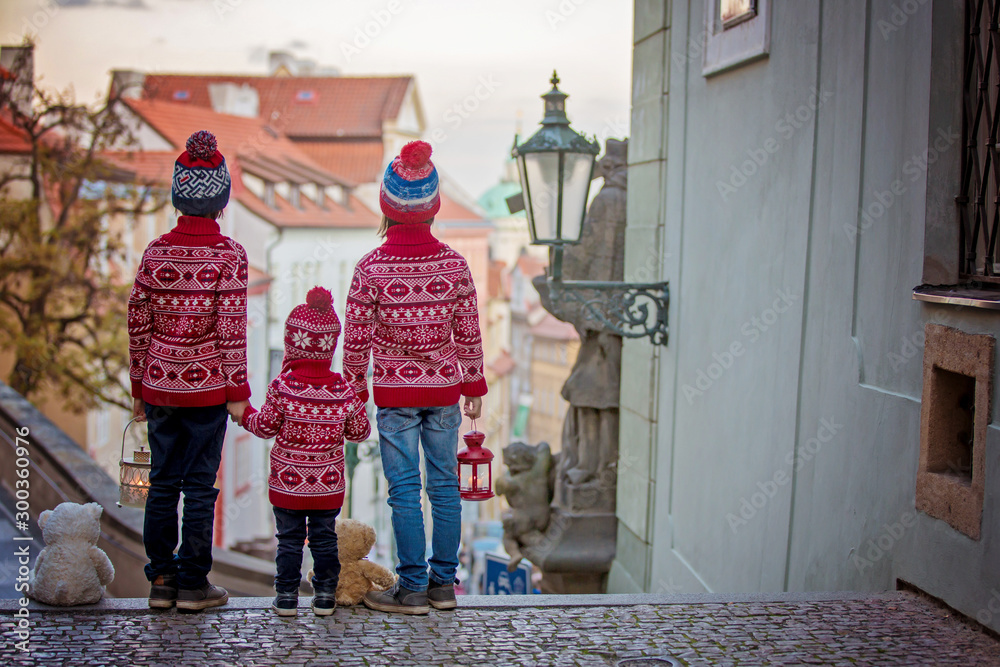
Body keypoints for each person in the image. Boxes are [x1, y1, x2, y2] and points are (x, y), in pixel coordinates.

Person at [344, 140, 488, 615]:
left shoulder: (370, 269)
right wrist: (473, 385)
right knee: (444, 486)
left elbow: (356, 344)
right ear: (432, 207)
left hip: (394, 397)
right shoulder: (454, 265)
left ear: (387, 205)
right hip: (445, 392)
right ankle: (444, 585)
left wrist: (353, 395)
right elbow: (468, 330)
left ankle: (411, 590)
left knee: (404, 490)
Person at [127, 130, 250, 611]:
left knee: (162, 482)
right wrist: (236, 391)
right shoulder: (229, 256)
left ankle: (160, 580)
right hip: (209, 394)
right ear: (221, 199)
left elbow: (138, 324)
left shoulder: (155, 253)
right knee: (199, 486)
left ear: (178, 195)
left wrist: (139, 386)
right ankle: (194, 584)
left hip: (159, 387)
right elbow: (231, 332)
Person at [239, 287, 370, 617]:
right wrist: (355, 403)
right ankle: (325, 594)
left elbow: (265, 427)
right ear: (331, 345)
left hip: (287, 483)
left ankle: (286, 596)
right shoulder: (341, 388)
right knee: (325, 540)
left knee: (288, 540)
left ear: (292, 342)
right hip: (327, 484)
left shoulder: (282, 386)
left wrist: (243, 415)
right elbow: (360, 432)